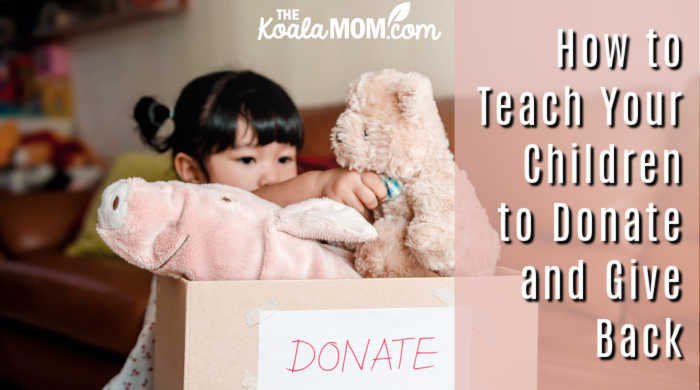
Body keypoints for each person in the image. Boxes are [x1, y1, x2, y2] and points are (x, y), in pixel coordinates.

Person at [103, 70, 386, 389]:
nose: (273, 176)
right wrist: (317, 183)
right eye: (248, 160)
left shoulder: (293, 213)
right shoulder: (195, 216)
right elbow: (246, 210)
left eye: (284, 158)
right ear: (192, 171)